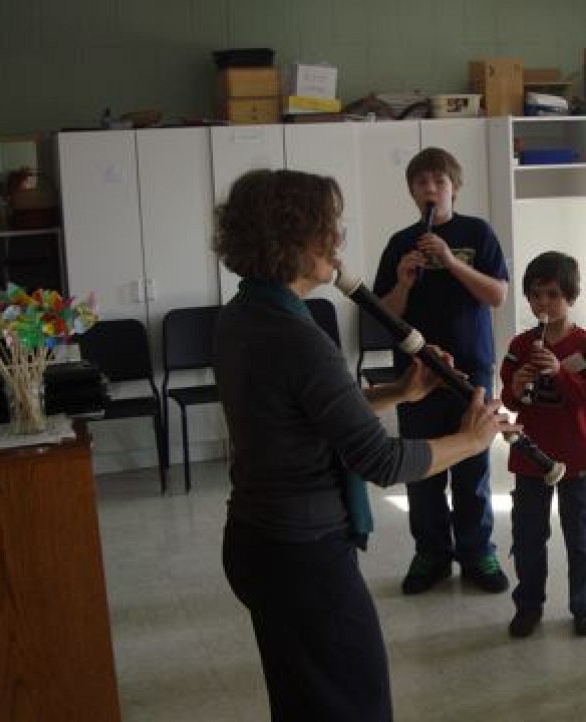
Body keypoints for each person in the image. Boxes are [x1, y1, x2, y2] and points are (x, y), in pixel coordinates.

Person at [212, 168, 512, 721]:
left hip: (256, 542)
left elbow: (308, 416)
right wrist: (473, 440)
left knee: (304, 700)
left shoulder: (240, 316)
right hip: (304, 556)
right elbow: (383, 460)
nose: (339, 240)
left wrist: (402, 390)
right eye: (328, 227)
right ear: (292, 240)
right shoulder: (300, 337)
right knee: (357, 704)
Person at [372, 146, 512, 595]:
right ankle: (430, 553)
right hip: (417, 376)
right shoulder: (400, 243)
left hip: (471, 368)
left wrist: (451, 262)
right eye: (421, 183)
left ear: (455, 186)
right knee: (421, 465)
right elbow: (384, 315)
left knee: (472, 462)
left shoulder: (477, 232)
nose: (430, 190)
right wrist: (403, 283)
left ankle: (477, 551)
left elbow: (497, 296)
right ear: (412, 191)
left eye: (439, 182)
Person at [499, 251, 586, 639]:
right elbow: (510, 403)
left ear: (571, 297)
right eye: (536, 295)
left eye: (553, 295)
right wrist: (516, 384)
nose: (543, 304)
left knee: (580, 537)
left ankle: (584, 606)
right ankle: (528, 605)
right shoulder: (519, 345)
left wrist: (559, 372)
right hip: (531, 456)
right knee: (528, 538)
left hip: (576, 455)